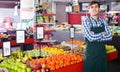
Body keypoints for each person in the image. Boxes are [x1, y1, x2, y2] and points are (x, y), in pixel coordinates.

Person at [82, 1, 112, 72]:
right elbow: (90, 38)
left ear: (99, 9)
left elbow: (110, 36)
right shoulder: (86, 21)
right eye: (92, 7)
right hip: (91, 55)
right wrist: (102, 33)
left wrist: (95, 34)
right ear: (89, 10)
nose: (94, 9)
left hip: (102, 54)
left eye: (96, 7)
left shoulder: (103, 22)